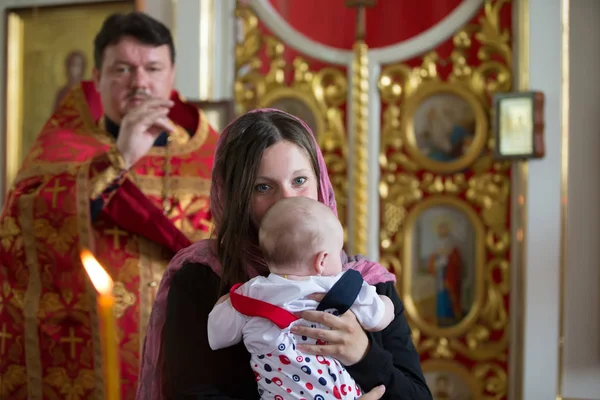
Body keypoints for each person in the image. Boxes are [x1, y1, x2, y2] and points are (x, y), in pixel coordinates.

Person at [138, 109, 433, 400]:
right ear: (236, 197)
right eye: (263, 187)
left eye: (300, 181)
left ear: (321, 183)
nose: (286, 200)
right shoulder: (203, 277)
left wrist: (363, 355)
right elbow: (194, 394)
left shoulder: (367, 283)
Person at [0, 12, 218, 399]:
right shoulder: (62, 148)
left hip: (187, 347)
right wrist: (118, 158)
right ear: (98, 77)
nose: (140, 82)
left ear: (172, 74)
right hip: (90, 352)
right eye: (122, 69)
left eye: (153, 68)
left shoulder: (211, 157)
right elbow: (23, 231)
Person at [207, 196, 395, 399]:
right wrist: (388, 305)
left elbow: (217, 337)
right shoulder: (339, 285)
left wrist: (225, 303)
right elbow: (377, 318)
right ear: (322, 260)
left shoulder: (249, 294)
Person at [427, 220, 463, 327]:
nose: (441, 230)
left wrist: (447, 259)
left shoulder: (452, 242)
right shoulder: (437, 242)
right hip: (440, 273)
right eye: (440, 229)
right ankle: (441, 316)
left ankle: (450, 316)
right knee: (440, 294)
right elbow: (433, 258)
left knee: (449, 294)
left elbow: (455, 259)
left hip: (449, 274)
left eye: (443, 228)